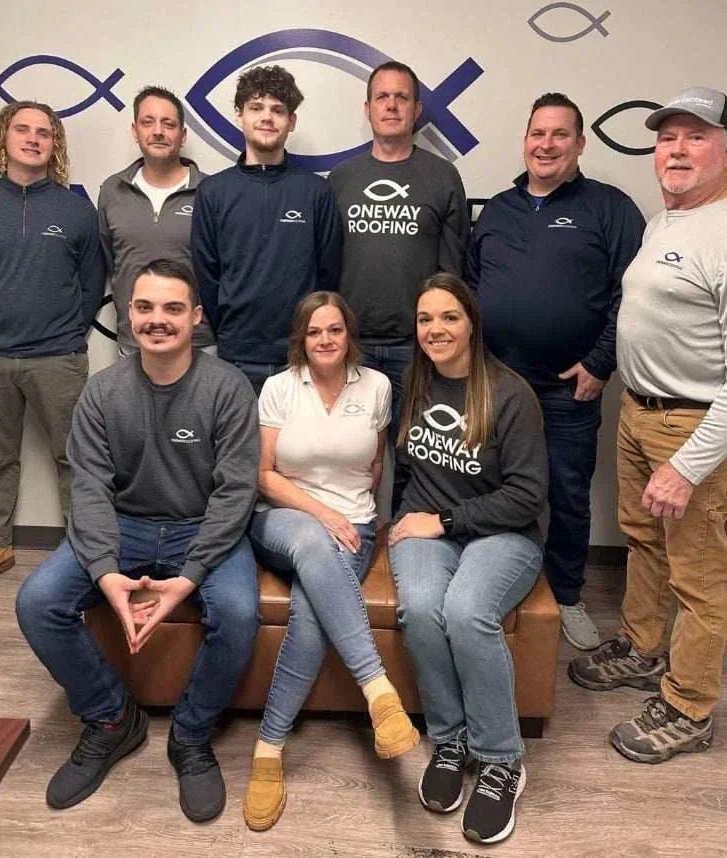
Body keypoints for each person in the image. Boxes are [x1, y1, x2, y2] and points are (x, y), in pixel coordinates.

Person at [16, 259, 260, 820]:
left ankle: (191, 734)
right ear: (128, 314)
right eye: (145, 307)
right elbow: (91, 490)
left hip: (201, 527)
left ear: (196, 317)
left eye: (173, 308)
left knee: (239, 612)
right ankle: (110, 718)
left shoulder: (227, 389)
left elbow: (235, 493)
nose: (158, 320)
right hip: (122, 525)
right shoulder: (102, 393)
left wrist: (188, 579)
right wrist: (104, 572)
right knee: (37, 600)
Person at [569, 87, 727, 763]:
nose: (676, 149)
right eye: (667, 138)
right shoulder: (667, 221)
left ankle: (689, 706)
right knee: (643, 543)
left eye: (694, 137)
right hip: (639, 410)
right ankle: (642, 648)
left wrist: (687, 464)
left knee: (699, 576)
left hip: (692, 426)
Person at [467, 92, 645, 649]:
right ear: (524, 140)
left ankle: (565, 595)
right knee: (491, 486)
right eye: (537, 134)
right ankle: (489, 588)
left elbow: (631, 295)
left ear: (579, 143)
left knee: (566, 493)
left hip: (570, 387)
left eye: (559, 134)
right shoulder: (498, 208)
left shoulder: (609, 208)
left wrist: (599, 364)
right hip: (497, 384)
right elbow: (471, 290)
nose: (546, 145)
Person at [242, 290, 418, 831]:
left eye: (335, 330)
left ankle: (268, 750)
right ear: (302, 337)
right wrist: (321, 511)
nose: (325, 340)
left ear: (349, 335)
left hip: (356, 526)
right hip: (283, 518)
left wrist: (361, 517)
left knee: (312, 618)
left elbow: (375, 466)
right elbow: (264, 474)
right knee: (316, 540)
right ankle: (378, 691)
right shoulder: (278, 387)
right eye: (315, 331)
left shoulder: (378, 386)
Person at [389, 273, 548, 845]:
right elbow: (406, 468)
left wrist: (448, 521)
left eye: (449, 317)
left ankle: (502, 760)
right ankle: (450, 740)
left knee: (467, 611)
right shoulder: (414, 382)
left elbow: (528, 496)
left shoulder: (509, 393)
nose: (436, 329)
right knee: (425, 608)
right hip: (428, 528)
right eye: (426, 319)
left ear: (472, 322)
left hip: (502, 533)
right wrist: (402, 521)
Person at [0, 100, 105, 595]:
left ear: (54, 144)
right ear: (3, 138)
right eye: (22, 130)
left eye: (43, 133)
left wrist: (65, 331)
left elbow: (92, 282)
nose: (32, 139)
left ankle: (83, 551)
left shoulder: (75, 210)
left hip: (58, 356)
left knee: (74, 457)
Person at [328, 61, 469, 436]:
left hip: (417, 348)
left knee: (414, 458)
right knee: (351, 456)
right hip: (351, 346)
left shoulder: (443, 177)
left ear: (417, 109)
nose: (391, 105)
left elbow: (452, 273)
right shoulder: (341, 178)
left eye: (401, 97)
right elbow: (325, 265)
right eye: (382, 97)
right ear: (368, 108)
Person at [191, 65, 341, 394]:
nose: (267, 118)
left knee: (300, 448)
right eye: (256, 108)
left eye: (278, 110)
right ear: (239, 116)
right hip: (236, 357)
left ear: (292, 121)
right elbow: (207, 274)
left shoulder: (315, 192)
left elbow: (329, 277)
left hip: (301, 357)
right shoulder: (214, 192)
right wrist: (231, 331)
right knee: (240, 447)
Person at [98, 85, 214, 355]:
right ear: (135, 130)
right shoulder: (112, 191)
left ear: (182, 135)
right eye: (147, 122)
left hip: (198, 342)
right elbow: (110, 261)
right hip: (135, 340)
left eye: (169, 124)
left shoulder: (211, 191)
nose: (158, 131)